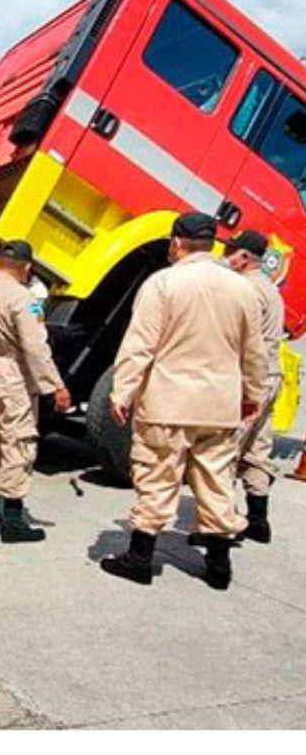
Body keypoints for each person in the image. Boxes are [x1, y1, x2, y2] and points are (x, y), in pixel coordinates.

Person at [101, 212, 267, 590]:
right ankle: (219, 567)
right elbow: (254, 354)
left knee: (157, 477)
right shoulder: (243, 289)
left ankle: (140, 560)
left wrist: (122, 391)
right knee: (216, 481)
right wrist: (251, 396)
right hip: (220, 406)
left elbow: (140, 344)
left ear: (176, 242)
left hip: (167, 403)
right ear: (213, 244)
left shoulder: (163, 284)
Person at [0, 240, 71, 543]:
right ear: (26, 267)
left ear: (0, 262)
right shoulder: (25, 299)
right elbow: (36, 348)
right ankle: (13, 520)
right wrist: (56, 386)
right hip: (13, 383)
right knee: (17, 446)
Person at [222, 229, 285, 544]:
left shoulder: (247, 289)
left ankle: (223, 527)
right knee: (258, 449)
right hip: (272, 376)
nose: (226, 257)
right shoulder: (270, 288)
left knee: (225, 451)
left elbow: (235, 338)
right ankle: (258, 521)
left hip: (250, 379)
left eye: (230, 252)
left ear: (244, 257)